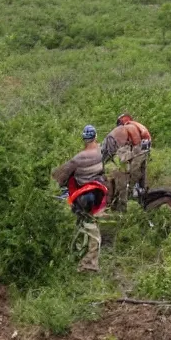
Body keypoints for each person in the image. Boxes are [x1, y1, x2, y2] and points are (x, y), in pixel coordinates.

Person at [52, 125, 109, 273]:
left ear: (84, 139)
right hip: (99, 194)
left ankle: (87, 264)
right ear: (95, 137)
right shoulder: (101, 152)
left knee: (89, 227)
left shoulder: (78, 158)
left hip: (84, 196)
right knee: (86, 225)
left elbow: (59, 177)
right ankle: (81, 254)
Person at [101, 113, 151, 211]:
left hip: (136, 147)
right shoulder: (134, 127)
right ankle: (135, 191)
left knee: (133, 171)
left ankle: (131, 192)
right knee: (133, 171)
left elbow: (137, 149)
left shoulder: (130, 128)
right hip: (139, 147)